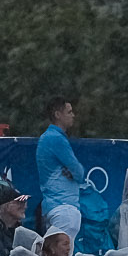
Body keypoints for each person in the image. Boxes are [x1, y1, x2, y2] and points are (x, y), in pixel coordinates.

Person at [36, 96, 85, 228]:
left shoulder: (48, 137)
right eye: (69, 112)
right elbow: (79, 172)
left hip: (56, 206)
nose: (73, 115)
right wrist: (76, 172)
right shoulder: (55, 138)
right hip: (63, 207)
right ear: (58, 115)